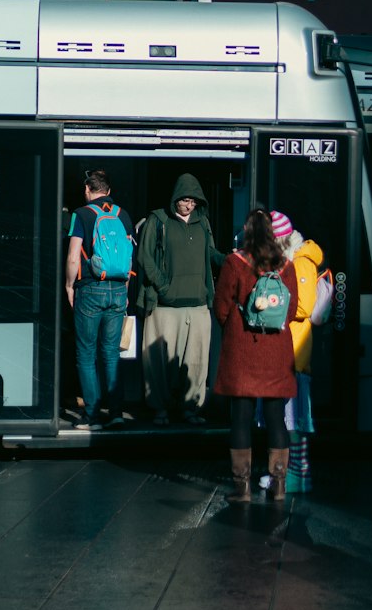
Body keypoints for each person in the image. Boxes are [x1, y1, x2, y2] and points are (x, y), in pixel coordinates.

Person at [213, 207, 299, 502]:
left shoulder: (234, 261)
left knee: (241, 418)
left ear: (246, 232)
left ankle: (243, 488)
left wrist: (235, 327)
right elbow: (291, 308)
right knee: (277, 418)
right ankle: (279, 485)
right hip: (276, 351)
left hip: (243, 352)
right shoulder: (286, 265)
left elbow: (221, 307)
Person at [136, 174, 225, 425]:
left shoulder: (203, 223)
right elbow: (144, 256)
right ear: (175, 198)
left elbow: (210, 253)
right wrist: (164, 287)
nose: (189, 205)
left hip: (197, 305)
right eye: (185, 200)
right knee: (159, 363)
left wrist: (227, 260)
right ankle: (160, 408)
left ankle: (191, 409)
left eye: (194, 201)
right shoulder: (158, 220)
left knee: (196, 360)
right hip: (164, 306)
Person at [257, 211, 329, 494]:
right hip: (285, 346)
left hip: (294, 349)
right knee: (285, 418)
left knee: (292, 419)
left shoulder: (301, 262)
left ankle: (295, 474)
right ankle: (286, 471)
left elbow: (304, 307)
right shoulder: (290, 261)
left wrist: (268, 305)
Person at [65, 170, 135, 431]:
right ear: (108, 190)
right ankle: (116, 412)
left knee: (85, 353)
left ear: (87, 190)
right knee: (111, 353)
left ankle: (93, 417)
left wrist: (69, 285)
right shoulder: (123, 215)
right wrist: (125, 291)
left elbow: (74, 256)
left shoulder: (81, 215)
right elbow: (128, 258)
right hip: (117, 289)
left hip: (90, 289)